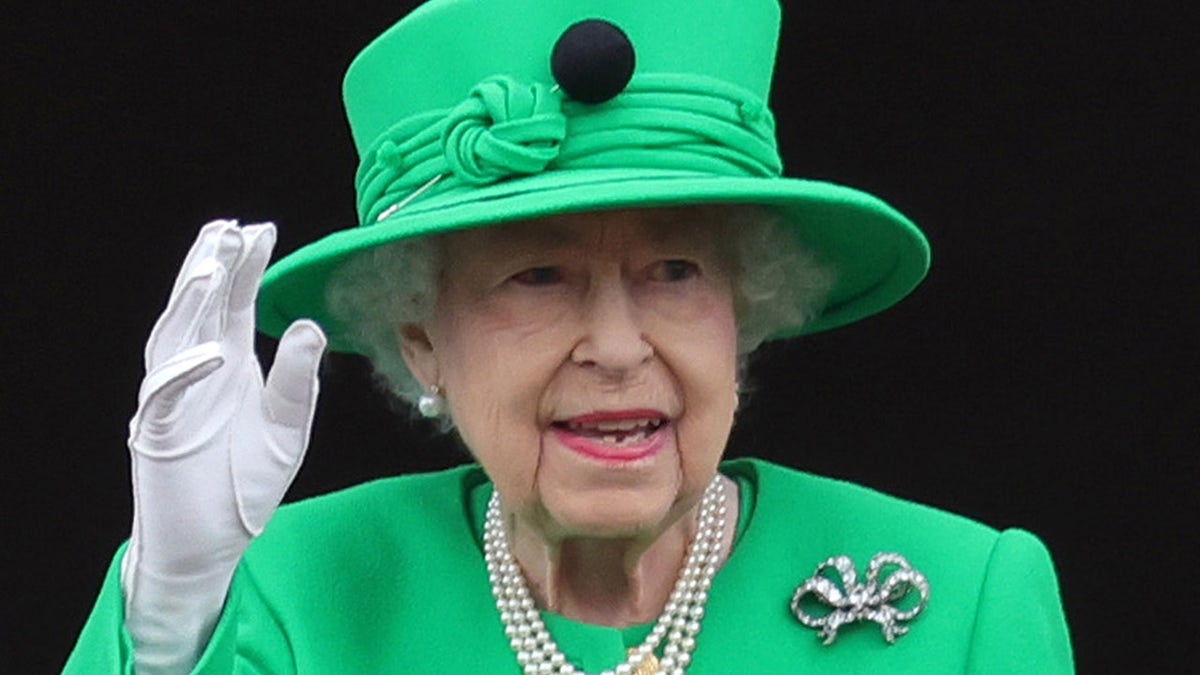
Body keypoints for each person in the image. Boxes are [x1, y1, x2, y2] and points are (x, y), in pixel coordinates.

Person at [65, 0, 1073, 672]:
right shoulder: (295, 594)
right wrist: (168, 615)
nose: (617, 345)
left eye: (675, 272)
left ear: (744, 316)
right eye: (538, 275)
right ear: (422, 341)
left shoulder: (964, 602)